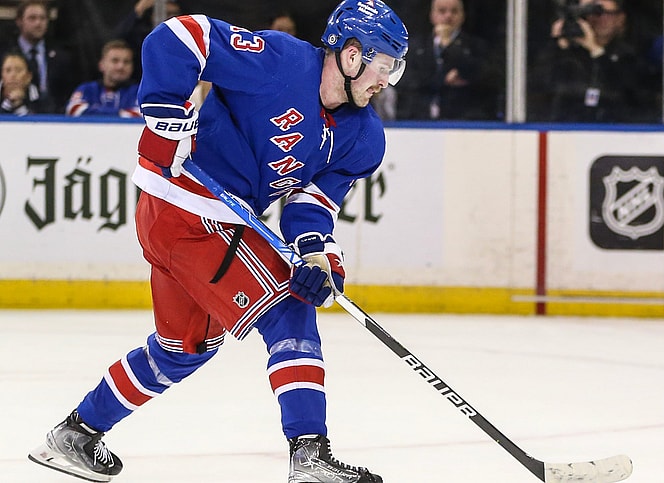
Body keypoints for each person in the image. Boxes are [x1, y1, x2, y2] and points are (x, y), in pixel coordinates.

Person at [28, 1, 407, 483]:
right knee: (288, 311)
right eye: (384, 65)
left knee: (184, 348)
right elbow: (179, 37)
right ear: (352, 55)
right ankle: (309, 454)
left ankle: (75, 434)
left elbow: (312, 204)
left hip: (194, 222)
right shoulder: (280, 61)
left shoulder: (363, 136)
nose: (387, 80)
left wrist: (316, 255)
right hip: (190, 209)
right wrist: (167, 114)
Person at [529, 0, 658, 123]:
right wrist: (557, 46)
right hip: (566, 127)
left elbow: (631, 93)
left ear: (620, 19)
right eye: (588, 12)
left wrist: (596, 51)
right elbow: (537, 88)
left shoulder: (629, 56)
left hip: (614, 127)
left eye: (603, 13)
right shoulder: (565, 53)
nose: (596, 18)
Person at [395, 0, 501, 120]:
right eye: (442, 11)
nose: (448, 16)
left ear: (463, 15)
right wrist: (442, 79)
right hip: (419, 118)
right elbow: (406, 80)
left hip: (464, 118)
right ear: (432, 15)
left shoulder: (476, 47)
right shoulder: (416, 47)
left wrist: (449, 45)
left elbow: (484, 77)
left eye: (454, 11)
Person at [2, 0, 76, 113]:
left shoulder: (61, 56)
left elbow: (66, 94)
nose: (38, 23)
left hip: (53, 117)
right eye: (32, 18)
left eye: (43, 18)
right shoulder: (4, 54)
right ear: (19, 21)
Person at [65, 40, 141, 117]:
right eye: (115, 61)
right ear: (101, 65)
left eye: (126, 62)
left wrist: (92, 111)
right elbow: (73, 109)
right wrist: (120, 114)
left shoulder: (139, 92)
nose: (120, 66)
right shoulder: (87, 89)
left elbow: (141, 114)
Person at [114, 0, 184, 81]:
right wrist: (139, 9)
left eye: (175, 14)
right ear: (153, 16)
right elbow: (119, 38)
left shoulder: (185, 39)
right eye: (167, 13)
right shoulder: (142, 37)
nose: (171, 18)